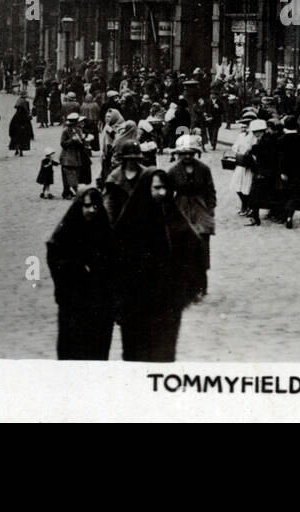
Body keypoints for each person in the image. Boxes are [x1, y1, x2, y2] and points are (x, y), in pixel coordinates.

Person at [112, 168, 206, 362]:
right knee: (136, 355)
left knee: (163, 354)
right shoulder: (129, 221)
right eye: (157, 188)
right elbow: (115, 263)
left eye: (165, 188)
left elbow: (195, 249)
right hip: (136, 305)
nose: (162, 193)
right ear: (146, 188)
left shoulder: (172, 216)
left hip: (166, 304)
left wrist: (187, 287)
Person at [46, 186, 119, 360]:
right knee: (73, 349)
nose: (91, 210)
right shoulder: (65, 232)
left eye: (95, 206)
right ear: (78, 206)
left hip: (99, 304)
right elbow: (55, 258)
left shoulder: (105, 230)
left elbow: (114, 264)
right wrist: (77, 268)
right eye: (86, 206)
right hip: (74, 302)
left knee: (98, 351)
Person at [168, 135, 215, 295]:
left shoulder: (203, 169)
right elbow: (167, 194)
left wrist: (210, 210)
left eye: (190, 153)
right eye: (184, 153)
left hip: (200, 208)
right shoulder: (173, 171)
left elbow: (210, 191)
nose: (187, 156)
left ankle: (202, 284)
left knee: (202, 245)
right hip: (181, 208)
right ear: (178, 154)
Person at [274, 116, 300, 229]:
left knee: (284, 193)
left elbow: (279, 158)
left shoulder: (281, 140)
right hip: (297, 170)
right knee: (295, 193)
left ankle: (283, 215)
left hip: (284, 170)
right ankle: (289, 216)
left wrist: (281, 171)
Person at [232, 118, 266, 225]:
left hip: (251, 166)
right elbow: (236, 146)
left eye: (245, 126)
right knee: (238, 186)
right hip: (243, 164)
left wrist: (248, 150)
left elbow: (252, 150)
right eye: (242, 126)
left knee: (249, 188)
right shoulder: (242, 136)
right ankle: (247, 207)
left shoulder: (256, 139)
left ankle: (250, 210)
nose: (243, 128)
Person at [59, 114, 93, 198]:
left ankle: (72, 191)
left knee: (76, 174)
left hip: (77, 156)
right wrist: (72, 140)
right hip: (67, 156)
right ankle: (67, 192)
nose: (73, 126)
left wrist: (86, 140)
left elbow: (82, 143)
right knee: (67, 175)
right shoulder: (65, 131)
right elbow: (62, 143)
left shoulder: (78, 130)